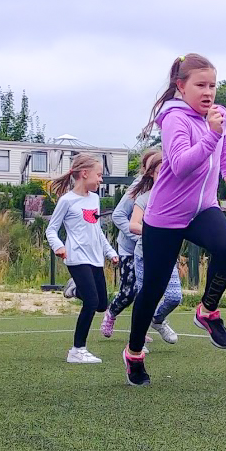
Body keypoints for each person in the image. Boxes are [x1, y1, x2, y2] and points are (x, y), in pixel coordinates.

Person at [124, 53, 226, 386]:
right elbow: (180, 165)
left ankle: (207, 310)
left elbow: (224, 145)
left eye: (213, 86)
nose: (208, 92)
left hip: (202, 208)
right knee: (153, 289)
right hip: (166, 216)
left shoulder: (218, 115)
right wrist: (211, 134)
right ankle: (134, 354)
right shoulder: (175, 119)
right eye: (200, 85)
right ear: (181, 86)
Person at [45, 153, 119, 364]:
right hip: (76, 257)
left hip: (96, 258)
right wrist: (58, 246)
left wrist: (110, 252)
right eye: (99, 175)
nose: (101, 180)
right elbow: (51, 230)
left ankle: (75, 289)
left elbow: (97, 231)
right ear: (84, 174)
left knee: (101, 304)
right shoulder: (67, 201)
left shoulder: (94, 199)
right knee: (91, 301)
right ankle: (77, 350)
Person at [100, 149, 160, 338]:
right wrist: (140, 236)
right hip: (130, 247)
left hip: (152, 249)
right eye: (153, 165)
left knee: (149, 290)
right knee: (129, 291)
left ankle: (140, 330)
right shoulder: (138, 188)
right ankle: (111, 313)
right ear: (146, 169)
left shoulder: (166, 186)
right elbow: (118, 215)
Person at [128, 152, 180, 344]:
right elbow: (133, 225)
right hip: (145, 256)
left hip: (167, 256)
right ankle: (137, 341)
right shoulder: (145, 198)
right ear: (151, 174)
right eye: (160, 172)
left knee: (174, 297)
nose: (165, 176)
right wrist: (154, 231)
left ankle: (157, 320)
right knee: (146, 299)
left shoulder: (176, 196)